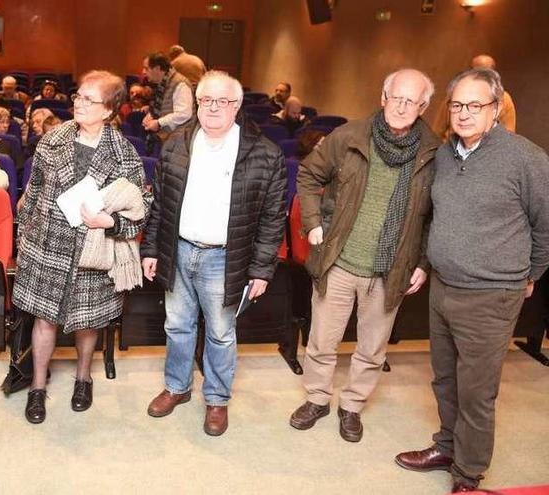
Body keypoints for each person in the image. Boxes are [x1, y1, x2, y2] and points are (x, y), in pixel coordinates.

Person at [395, 67, 549, 493]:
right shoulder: (446, 155)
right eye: (458, 105)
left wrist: (530, 273)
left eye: (475, 105)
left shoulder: (526, 159)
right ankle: (447, 446)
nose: (463, 114)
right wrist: (429, 261)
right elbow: (437, 220)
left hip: (491, 295)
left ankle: (468, 474)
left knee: (477, 392)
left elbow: (546, 226)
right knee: (445, 378)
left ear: (496, 109)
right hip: (444, 287)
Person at [289, 69, 440, 443]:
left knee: (372, 348)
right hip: (339, 260)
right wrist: (312, 223)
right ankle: (318, 398)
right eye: (397, 97)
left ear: (423, 107)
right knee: (323, 340)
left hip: (392, 268)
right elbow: (309, 175)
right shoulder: (349, 135)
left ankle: (352, 406)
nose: (402, 107)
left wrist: (422, 262)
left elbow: (437, 215)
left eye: (412, 101)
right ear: (383, 97)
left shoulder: (435, 152)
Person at [141, 70, 287, 436]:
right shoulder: (176, 143)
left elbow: (272, 219)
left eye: (224, 101)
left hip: (226, 258)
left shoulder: (264, 154)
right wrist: (151, 248)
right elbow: (160, 204)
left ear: (237, 106)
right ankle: (177, 387)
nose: (214, 108)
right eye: (207, 100)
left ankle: (217, 399)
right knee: (176, 325)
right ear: (197, 104)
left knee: (221, 333)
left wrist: (261, 270)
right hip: (178, 251)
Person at [14, 70, 150, 424]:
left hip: (93, 251)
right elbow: (32, 194)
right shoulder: (52, 139)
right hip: (47, 246)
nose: (79, 102)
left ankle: (83, 378)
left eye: (89, 99)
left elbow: (141, 210)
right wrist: (24, 238)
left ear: (109, 110)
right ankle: (38, 387)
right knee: (44, 320)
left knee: (87, 323)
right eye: (78, 96)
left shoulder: (124, 154)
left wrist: (112, 223)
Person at [431, 54, 516, 140]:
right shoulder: (456, 95)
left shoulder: (504, 99)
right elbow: (437, 130)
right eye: (478, 71)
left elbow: (509, 134)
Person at [141, 52, 194, 141]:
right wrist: (151, 115)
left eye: (146, 68)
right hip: (167, 140)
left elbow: (184, 114)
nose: (143, 72)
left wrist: (159, 122)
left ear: (157, 68)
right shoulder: (160, 83)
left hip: (178, 143)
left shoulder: (180, 84)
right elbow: (161, 107)